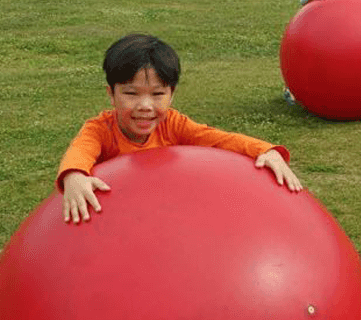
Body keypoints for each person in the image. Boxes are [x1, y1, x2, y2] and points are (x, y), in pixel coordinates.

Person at [58, 33, 302, 223]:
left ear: (171, 95)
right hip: (115, 218)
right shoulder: (101, 130)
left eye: (157, 94)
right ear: (111, 94)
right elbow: (81, 151)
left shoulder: (174, 125)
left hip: (162, 213)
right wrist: (75, 176)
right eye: (131, 94)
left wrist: (266, 151)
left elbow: (218, 140)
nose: (145, 106)